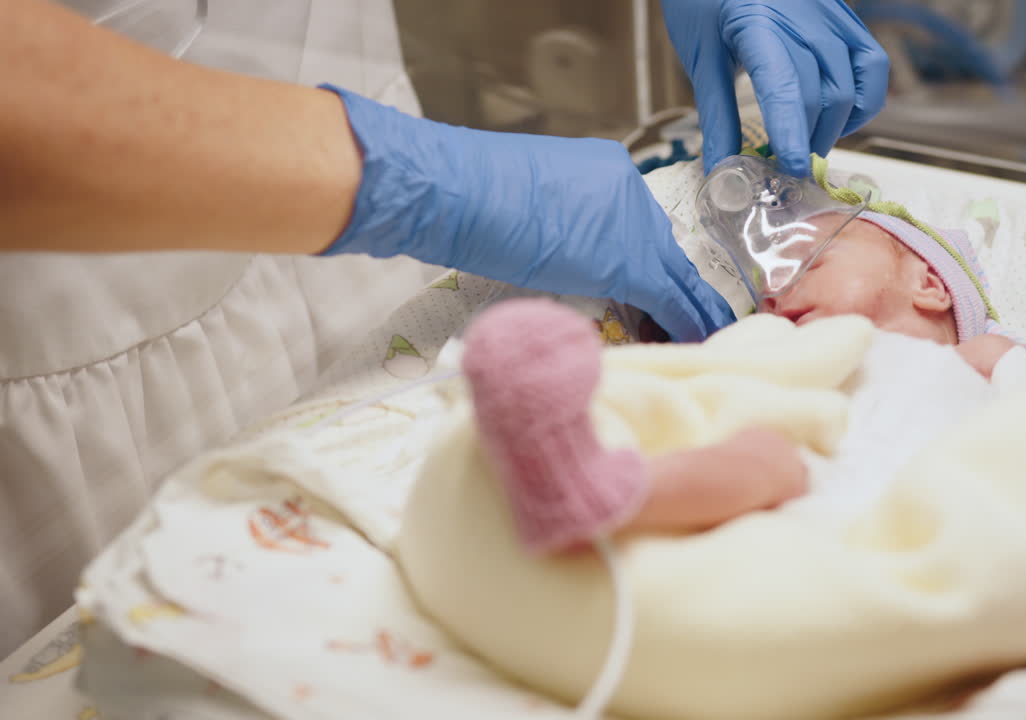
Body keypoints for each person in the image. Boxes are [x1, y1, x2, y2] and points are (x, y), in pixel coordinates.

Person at [0, 0, 888, 656]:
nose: (786, 277)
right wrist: (420, 181)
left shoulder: (946, 374)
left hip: (350, 182)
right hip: (71, 282)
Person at [457, 206, 1026, 551]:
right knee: (762, 455)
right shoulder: (792, 361)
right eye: (766, 294)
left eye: (807, 265)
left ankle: (594, 493)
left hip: (943, 505)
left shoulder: (978, 357)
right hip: (807, 499)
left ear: (929, 286)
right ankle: (596, 486)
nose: (775, 294)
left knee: (768, 460)